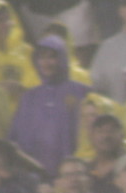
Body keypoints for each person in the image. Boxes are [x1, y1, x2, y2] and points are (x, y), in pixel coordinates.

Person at [8, 36, 91, 177]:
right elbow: (15, 139)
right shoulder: (29, 97)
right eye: (41, 57)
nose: (46, 63)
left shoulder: (81, 92)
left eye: (52, 57)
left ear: (63, 58)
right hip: (34, 176)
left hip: (73, 175)